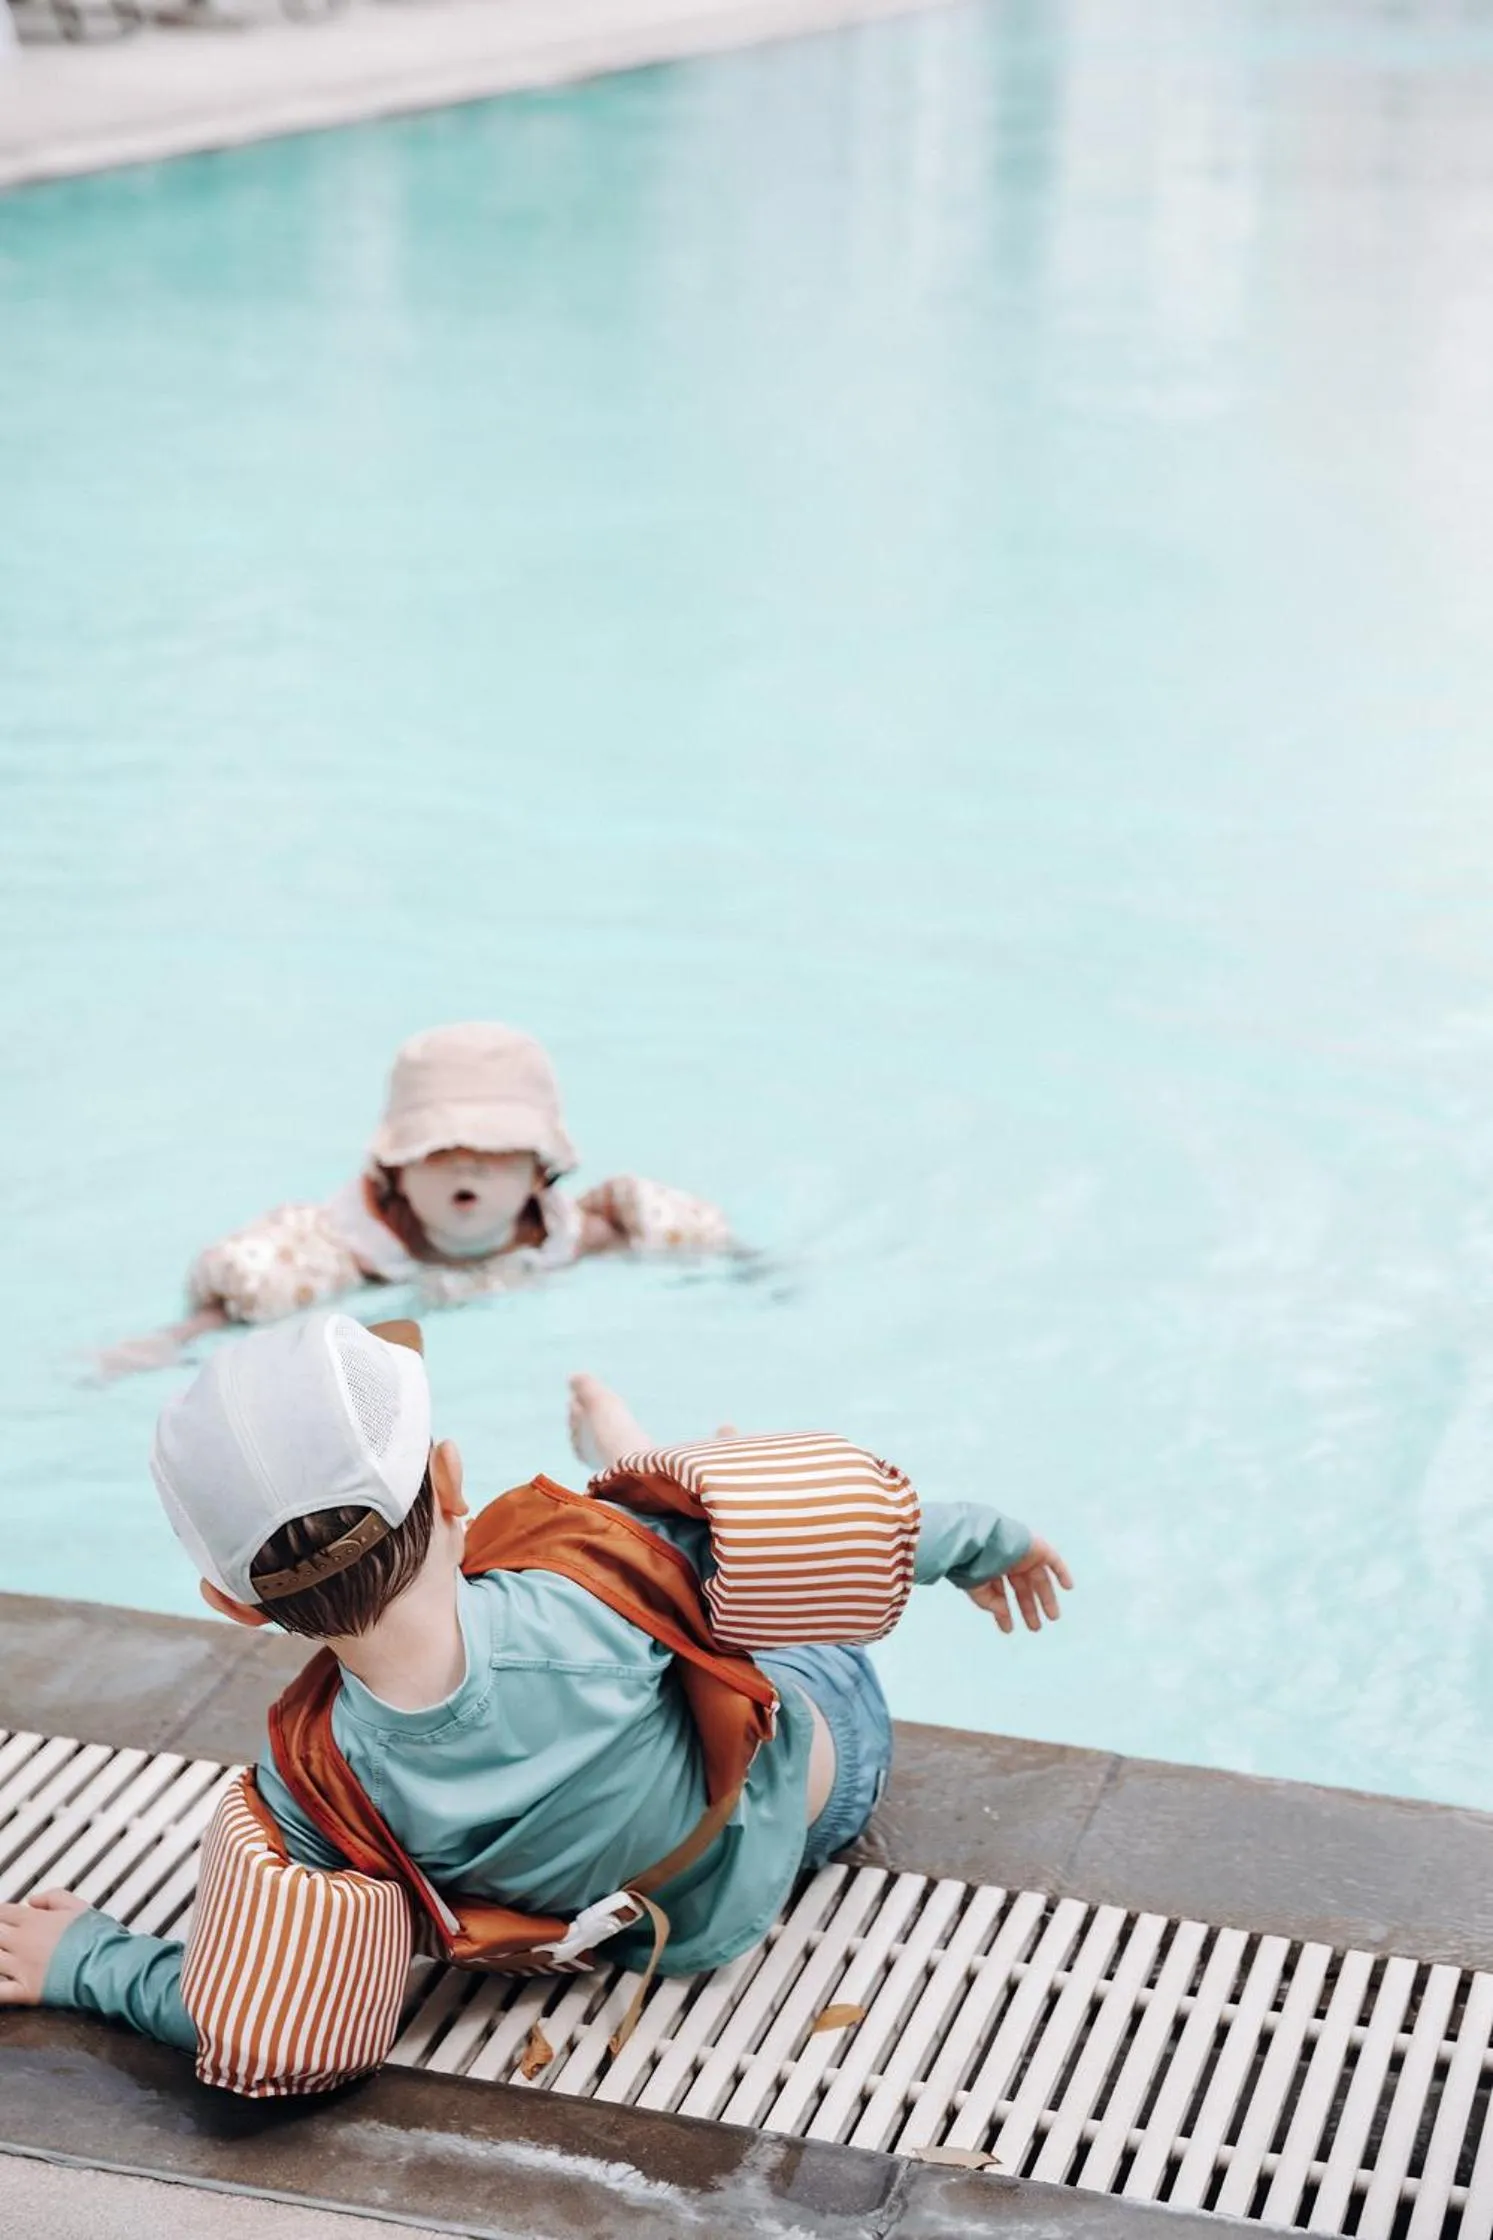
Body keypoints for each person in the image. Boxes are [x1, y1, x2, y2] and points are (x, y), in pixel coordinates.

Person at [0, 1315, 1071, 2067]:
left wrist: (87, 1959)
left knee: (672, 1538)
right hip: (824, 1774)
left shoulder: (310, 1784)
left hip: (630, 1923)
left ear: (233, 1606)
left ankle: (650, 1456)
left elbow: (250, 2010)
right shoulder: (593, 1579)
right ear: (455, 1480)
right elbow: (866, 1533)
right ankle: (654, 1456)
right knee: (717, 1521)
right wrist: (989, 1542)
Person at [97, 1021, 731, 1376]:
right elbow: (224, 1321)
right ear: (394, 1170)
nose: (467, 1166)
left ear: (542, 1174)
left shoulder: (586, 1235)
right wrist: (170, 1340)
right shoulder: (347, 1258)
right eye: (439, 1150)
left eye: (496, 1151)